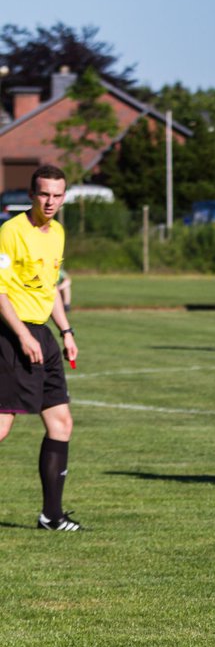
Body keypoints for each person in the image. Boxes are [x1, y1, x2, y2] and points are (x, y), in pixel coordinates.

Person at [0, 165, 82, 530]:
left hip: (43, 337)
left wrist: (65, 331)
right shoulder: (10, 231)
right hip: (11, 334)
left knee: (61, 422)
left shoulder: (58, 233)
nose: (50, 202)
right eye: (44, 194)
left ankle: (51, 515)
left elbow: (48, 291)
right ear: (32, 194)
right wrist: (22, 335)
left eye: (57, 195)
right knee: (1, 425)